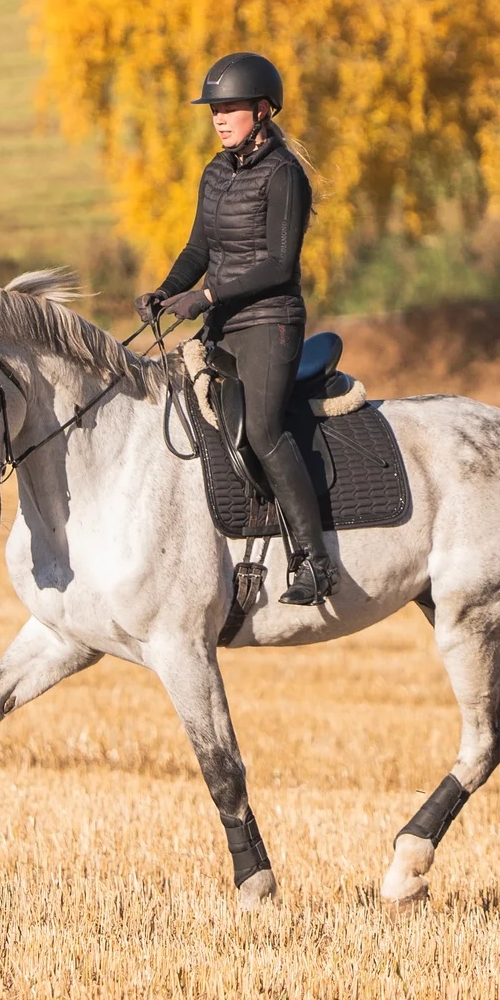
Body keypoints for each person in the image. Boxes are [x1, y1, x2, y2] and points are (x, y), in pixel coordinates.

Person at [135, 52, 338, 606]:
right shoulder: (215, 172)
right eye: (214, 111)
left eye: (230, 109)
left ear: (263, 110)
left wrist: (205, 296)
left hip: (270, 323)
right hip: (222, 323)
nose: (219, 119)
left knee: (265, 431)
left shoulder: (285, 175)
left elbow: (278, 265)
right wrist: (165, 288)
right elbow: (199, 247)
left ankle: (316, 564)